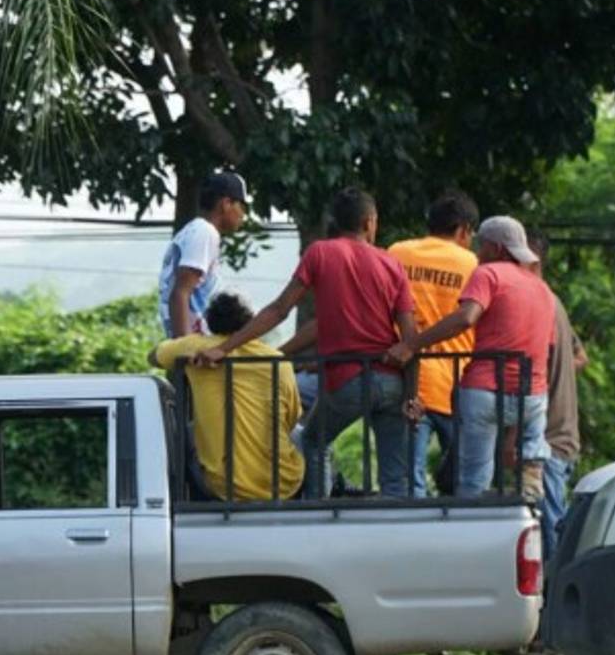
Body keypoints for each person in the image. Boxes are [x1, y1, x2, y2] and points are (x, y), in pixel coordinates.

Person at [195, 187, 417, 497]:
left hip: (349, 379)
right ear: (370, 222)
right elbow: (410, 339)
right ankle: (398, 539)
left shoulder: (320, 253)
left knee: (313, 442)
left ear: (336, 222)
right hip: (393, 379)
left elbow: (279, 309)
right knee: (396, 479)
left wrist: (225, 347)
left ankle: (317, 517)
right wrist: (412, 394)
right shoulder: (391, 264)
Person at [387, 216, 555, 500]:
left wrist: (413, 344)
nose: (477, 253)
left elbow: (466, 318)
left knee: (474, 479)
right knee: (529, 485)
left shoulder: (488, 274)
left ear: (496, 247)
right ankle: (527, 532)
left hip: (485, 390)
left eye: (482, 246)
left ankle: (470, 535)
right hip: (533, 396)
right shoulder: (543, 289)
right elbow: (547, 346)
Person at [149, 291, 304, 501]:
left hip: (224, 487)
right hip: (283, 484)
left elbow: (153, 357)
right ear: (251, 323)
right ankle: (318, 496)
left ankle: (185, 501)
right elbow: (291, 419)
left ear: (210, 322)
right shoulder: (279, 362)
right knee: (306, 435)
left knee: (188, 431)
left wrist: (184, 356)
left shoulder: (196, 348)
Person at [388, 190, 480, 497]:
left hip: (408, 381)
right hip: (457, 385)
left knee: (409, 483)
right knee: (466, 481)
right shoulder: (472, 264)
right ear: (464, 230)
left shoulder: (397, 253)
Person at [527, 230, 588, 563]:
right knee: (549, 522)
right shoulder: (553, 301)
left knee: (551, 527)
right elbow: (580, 357)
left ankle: (556, 599)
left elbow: (552, 355)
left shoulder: (539, 303)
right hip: (561, 434)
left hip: (550, 438)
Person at [157, 172, 249, 338]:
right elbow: (181, 292)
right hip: (194, 341)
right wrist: (184, 347)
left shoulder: (196, 230)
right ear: (226, 204)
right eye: (242, 206)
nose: (243, 214)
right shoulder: (204, 232)